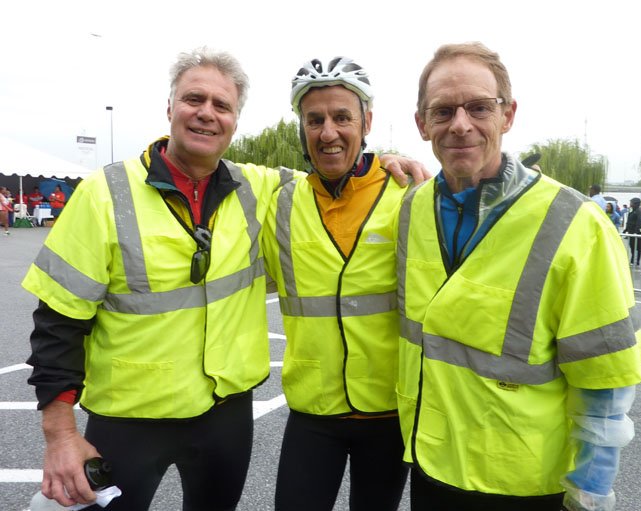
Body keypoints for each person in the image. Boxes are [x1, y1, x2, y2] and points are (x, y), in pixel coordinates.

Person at [22, 46, 427, 511]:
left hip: (225, 418)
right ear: (169, 107)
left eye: (222, 106)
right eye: (194, 99)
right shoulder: (105, 193)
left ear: (236, 120)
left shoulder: (257, 188)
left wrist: (389, 161)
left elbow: (343, 177)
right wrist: (59, 436)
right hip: (129, 419)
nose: (206, 114)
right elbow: (57, 321)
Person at [396, 42, 641, 511]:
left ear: (508, 115)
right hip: (429, 466)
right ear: (422, 123)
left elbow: (606, 379)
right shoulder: (412, 208)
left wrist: (590, 492)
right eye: (443, 110)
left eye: (478, 107)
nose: (461, 124)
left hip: (523, 485)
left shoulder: (575, 222)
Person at [263, 57, 408, 511]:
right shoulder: (279, 203)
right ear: (302, 128)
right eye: (315, 120)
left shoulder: (410, 194)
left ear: (367, 122)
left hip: (387, 413)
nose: (328, 132)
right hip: (314, 413)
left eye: (342, 117)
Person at [623, 197, 641, 266]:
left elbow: (639, 221)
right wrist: (625, 230)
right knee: (632, 246)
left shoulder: (639, 211)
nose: (630, 204)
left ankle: (637, 261)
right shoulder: (632, 211)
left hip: (635, 232)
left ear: (635, 204)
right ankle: (633, 258)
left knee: (638, 247)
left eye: (631, 202)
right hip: (631, 231)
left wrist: (636, 231)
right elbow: (629, 221)